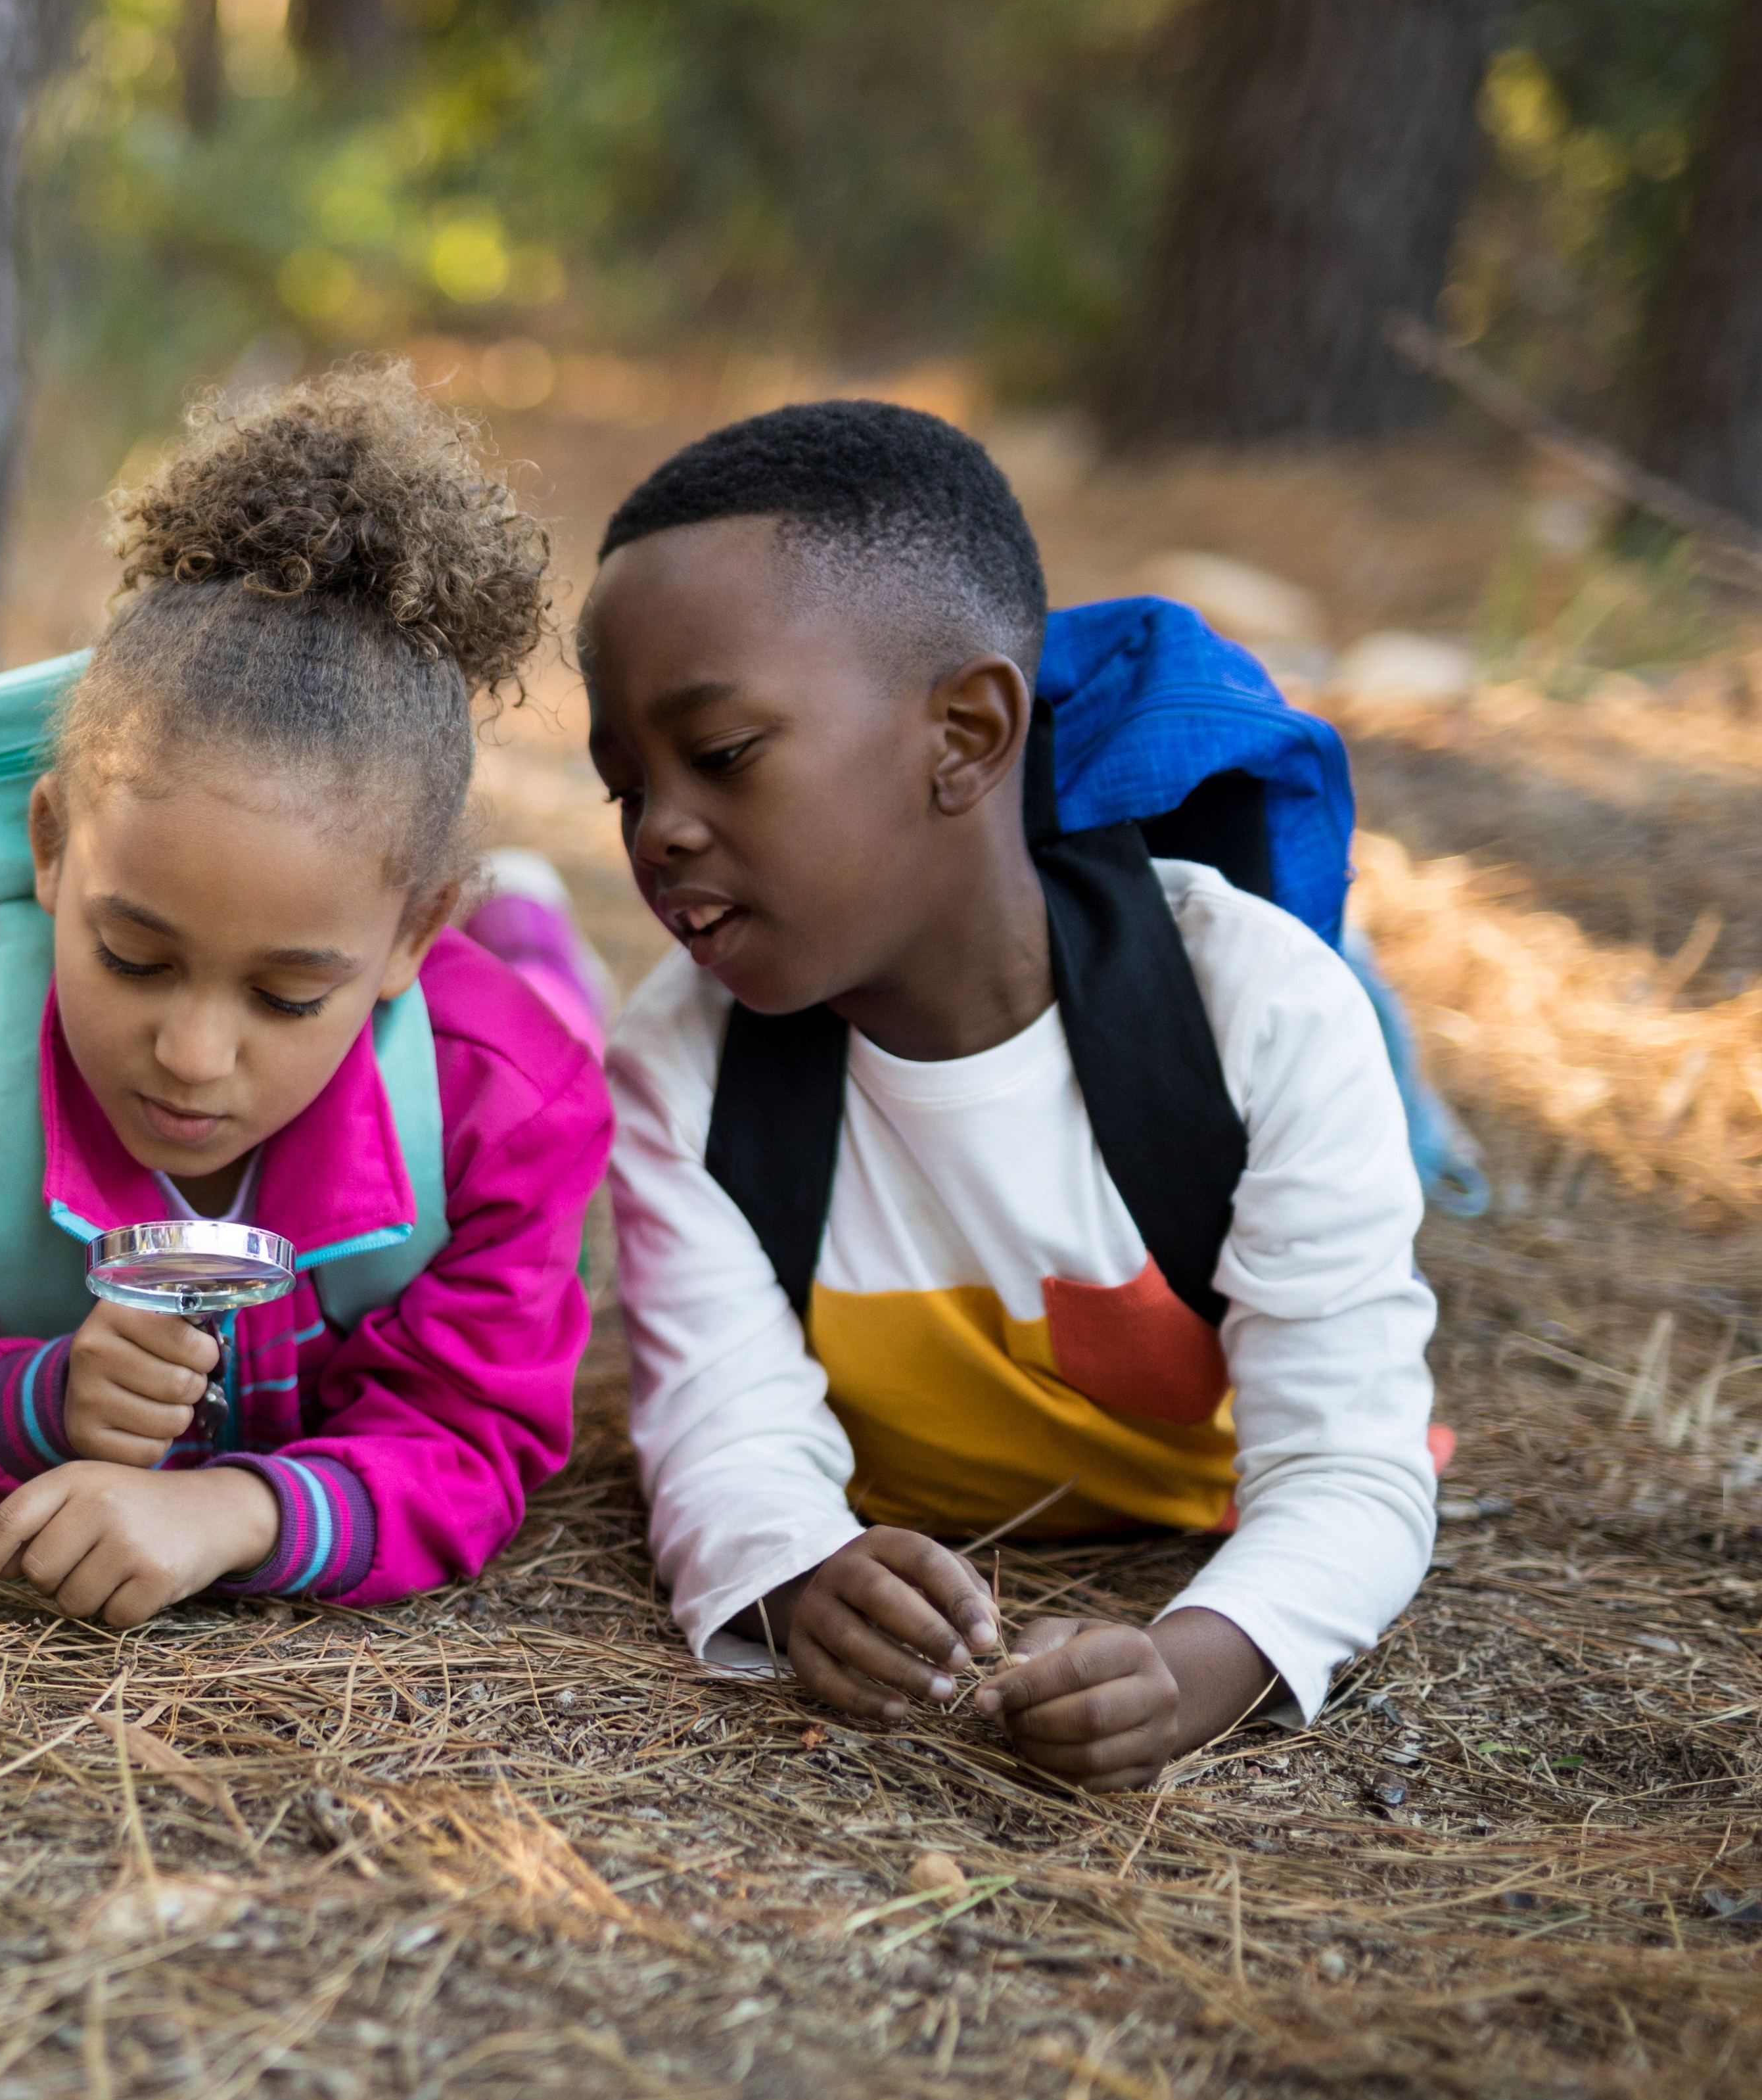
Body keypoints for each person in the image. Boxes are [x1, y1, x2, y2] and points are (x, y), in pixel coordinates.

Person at [589, 401, 1437, 1789]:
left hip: (1207, 1430)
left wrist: (1195, 1666)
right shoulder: (686, 1061)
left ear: (968, 734)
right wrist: (800, 1576)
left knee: (1368, 1050)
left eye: (724, 754)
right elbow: (720, 1431)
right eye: (626, 787)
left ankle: (1410, 1062)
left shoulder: (1254, 1018)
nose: (661, 828)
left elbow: (1351, 1468)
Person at [0, 365, 612, 1623]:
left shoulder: (512, 1104)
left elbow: (472, 1432)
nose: (194, 1054)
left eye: (286, 995)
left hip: (492, 1017)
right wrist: (38, 1399)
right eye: (135, 958)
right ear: (50, 849)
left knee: (555, 1007)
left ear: (408, 938)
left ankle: (528, 927)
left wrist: (238, 1512)